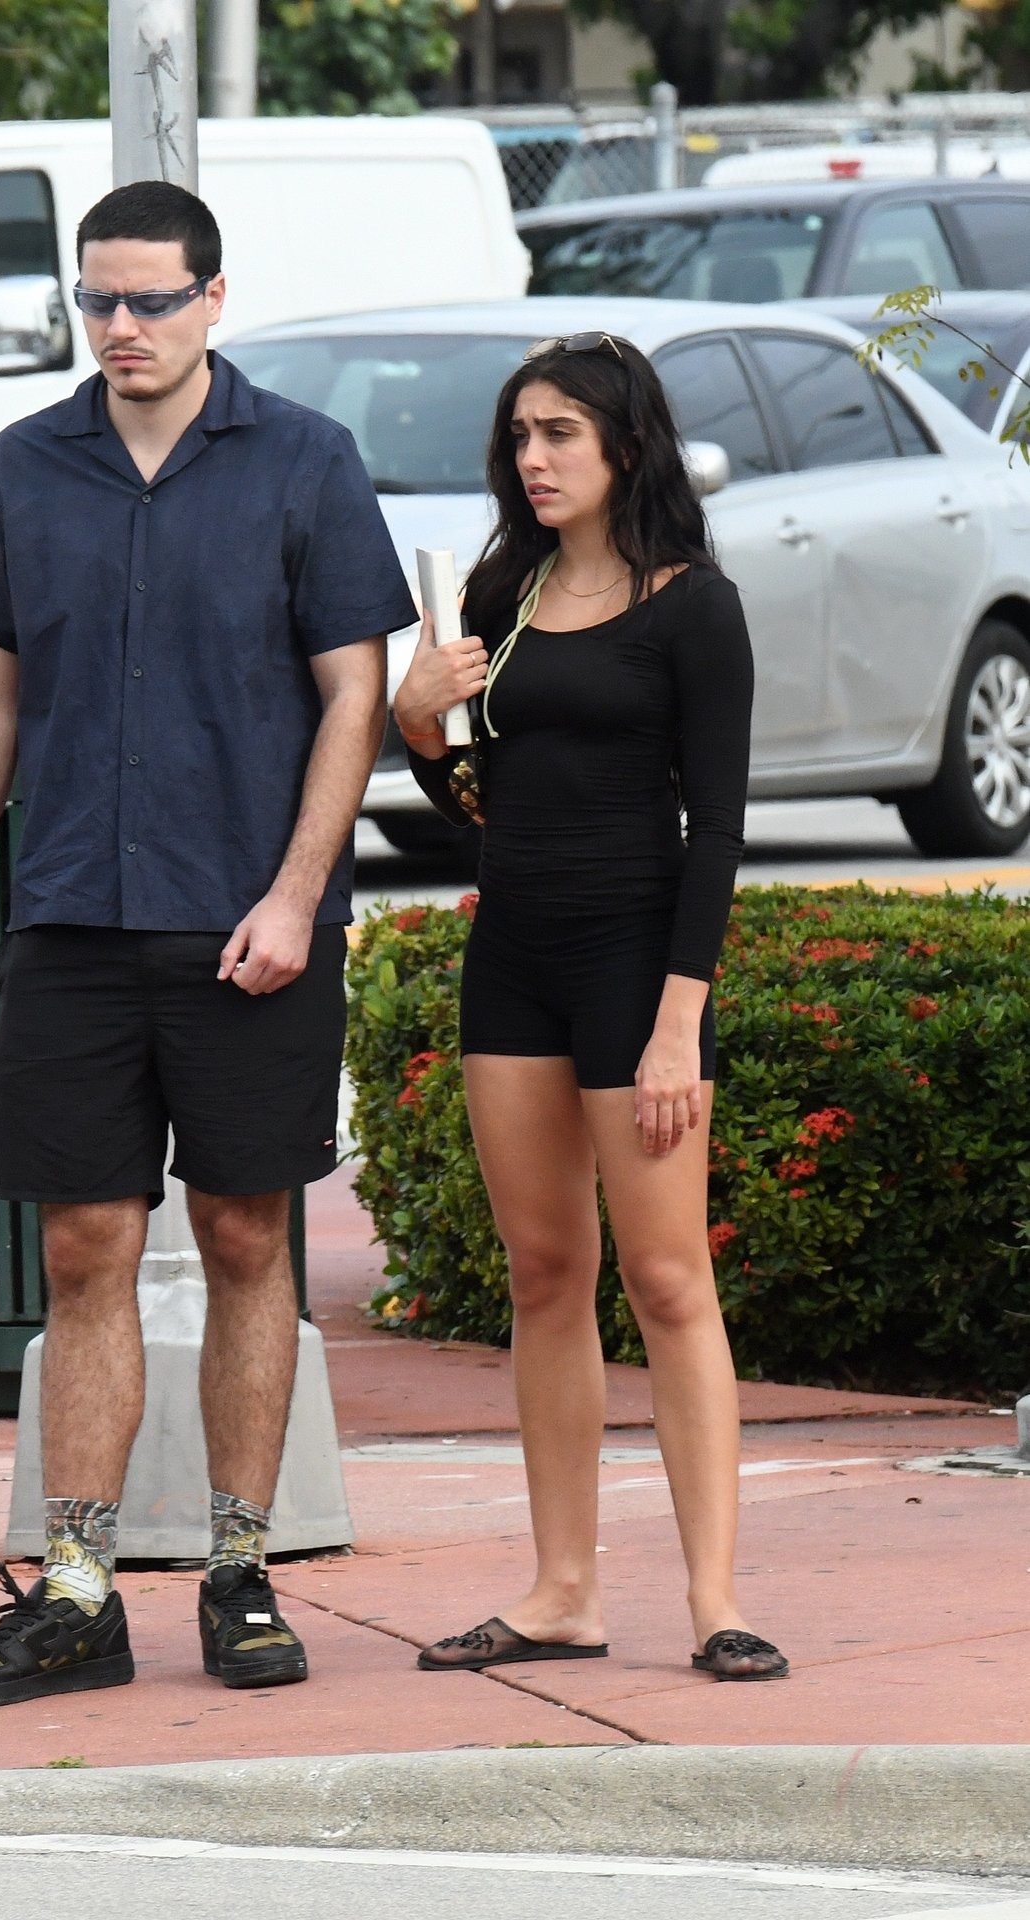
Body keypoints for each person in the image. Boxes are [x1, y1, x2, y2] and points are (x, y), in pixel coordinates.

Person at [0, 181, 416, 1711]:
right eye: (98, 301)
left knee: (247, 1240)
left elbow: (354, 697)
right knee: (83, 1251)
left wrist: (298, 893)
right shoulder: (23, 468)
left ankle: (242, 1574)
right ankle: (76, 1593)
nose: (122, 327)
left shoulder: (304, 461)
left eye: (151, 301)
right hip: (69, 918)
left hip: (251, 926)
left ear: (213, 299)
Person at [393, 333, 788, 1682]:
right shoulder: (499, 591)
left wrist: (680, 1023)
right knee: (546, 1275)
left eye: (560, 432)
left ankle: (716, 1601)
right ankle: (562, 1592)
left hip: (637, 967)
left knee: (669, 1281)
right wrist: (418, 726)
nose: (534, 457)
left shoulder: (694, 607)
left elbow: (718, 831)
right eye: (520, 435)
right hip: (513, 959)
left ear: (627, 442)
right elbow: (474, 801)